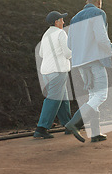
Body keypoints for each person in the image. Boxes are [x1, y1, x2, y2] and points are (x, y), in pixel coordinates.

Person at [65, 0, 112, 142]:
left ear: (86, 1)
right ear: (99, 1)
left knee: (93, 96)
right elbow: (101, 37)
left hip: (80, 62)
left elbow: (69, 44)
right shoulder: (98, 12)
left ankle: (95, 133)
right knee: (101, 95)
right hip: (94, 60)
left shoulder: (75, 18)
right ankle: (74, 122)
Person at [34, 11, 85, 142]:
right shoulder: (61, 33)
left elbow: (41, 53)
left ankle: (68, 124)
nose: (63, 22)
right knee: (54, 99)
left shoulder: (46, 34)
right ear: (56, 22)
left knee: (63, 98)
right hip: (58, 71)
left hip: (46, 71)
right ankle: (41, 128)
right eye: (62, 20)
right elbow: (68, 54)